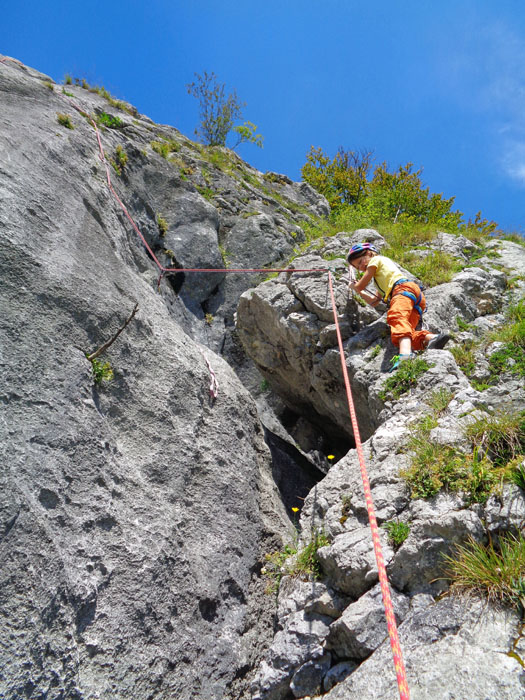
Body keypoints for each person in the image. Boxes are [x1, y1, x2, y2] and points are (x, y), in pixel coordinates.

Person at [347, 242, 450, 369]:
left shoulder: (376, 260)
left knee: (397, 318)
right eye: (357, 267)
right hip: (412, 294)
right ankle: (431, 338)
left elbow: (361, 285)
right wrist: (359, 290)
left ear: (369, 253)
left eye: (360, 261)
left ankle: (405, 356)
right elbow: (374, 301)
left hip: (401, 289)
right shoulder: (381, 276)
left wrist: (355, 286)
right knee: (406, 331)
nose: (361, 267)